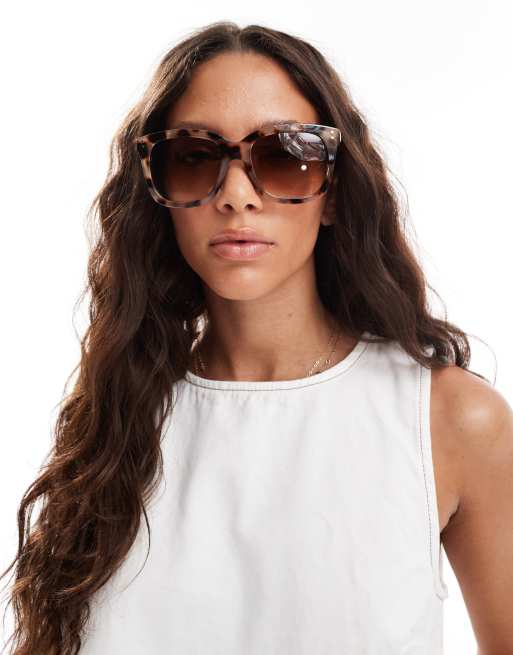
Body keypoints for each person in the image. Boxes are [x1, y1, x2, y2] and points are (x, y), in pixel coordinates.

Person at [2, 21, 513, 655]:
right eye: (195, 158)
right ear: (157, 190)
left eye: (284, 155)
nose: (236, 196)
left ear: (333, 191)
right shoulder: (115, 422)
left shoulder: (448, 420)